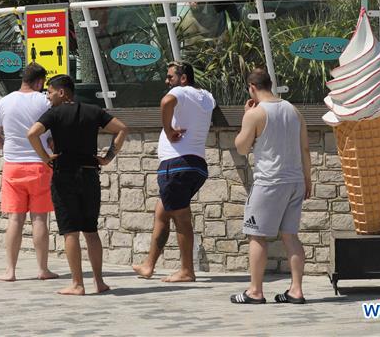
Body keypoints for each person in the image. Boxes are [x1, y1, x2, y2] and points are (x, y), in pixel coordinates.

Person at [26, 75, 128, 296]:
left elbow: (32, 133)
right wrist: (109, 156)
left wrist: (45, 158)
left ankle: (77, 284)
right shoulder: (93, 110)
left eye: (50, 92)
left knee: (70, 231)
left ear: (62, 92)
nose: (48, 96)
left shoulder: (54, 113)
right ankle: (99, 282)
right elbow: (122, 129)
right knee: (91, 230)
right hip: (90, 174)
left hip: (64, 175)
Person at [230, 68, 311, 305]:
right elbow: (305, 148)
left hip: (269, 182)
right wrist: (308, 179)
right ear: (271, 84)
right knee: (290, 236)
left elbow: (242, 148)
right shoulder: (293, 110)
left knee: (256, 236)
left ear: (252, 88)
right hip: (295, 180)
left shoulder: (255, 113)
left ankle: (255, 291)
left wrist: (246, 115)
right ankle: (296, 290)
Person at [133, 61, 215, 282]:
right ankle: (149, 265)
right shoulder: (206, 96)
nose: (167, 81)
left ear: (184, 78)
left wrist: (168, 130)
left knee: (181, 218)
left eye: (170, 77)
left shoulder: (179, 92)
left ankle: (187, 270)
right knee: (162, 213)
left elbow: (166, 101)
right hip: (196, 166)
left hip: (176, 166)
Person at [0, 63, 58, 282]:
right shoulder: (45, 101)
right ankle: (43, 269)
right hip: (40, 164)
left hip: (13, 166)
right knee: (39, 219)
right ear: (39, 82)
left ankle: (10, 271)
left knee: (15, 219)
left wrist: (7, 147)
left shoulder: (5, 102)